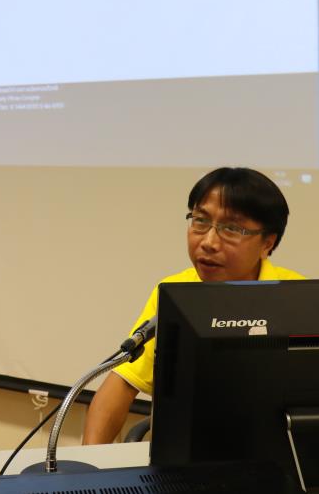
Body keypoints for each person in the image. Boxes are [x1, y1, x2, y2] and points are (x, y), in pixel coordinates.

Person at [82, 166, 306, 445]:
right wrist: (88, 461)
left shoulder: (297, 297)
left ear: (267, 243)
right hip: (183, 453)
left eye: (231, 228)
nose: (209, 242)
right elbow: (121, 384)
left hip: (277, 452)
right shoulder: (175, 292)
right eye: (200, 221)